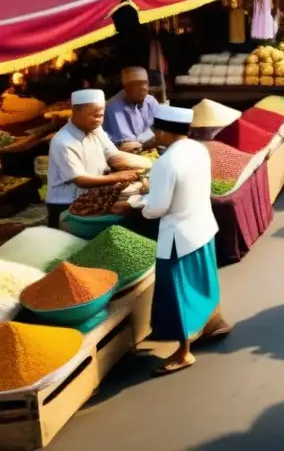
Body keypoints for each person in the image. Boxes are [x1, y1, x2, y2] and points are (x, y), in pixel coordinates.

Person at [116, 105, 230, 376]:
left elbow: (157, 208)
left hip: (179, 237)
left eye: (156, 130)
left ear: (165, 132)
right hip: (202, 227)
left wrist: (133, 204)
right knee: (202, 281)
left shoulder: (167, 162)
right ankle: (212, 323)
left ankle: (183, 352)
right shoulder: (197, 149)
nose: (155, 135)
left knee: (177, 295)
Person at [46, 89, 138, 228]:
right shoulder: (63, 141)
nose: (98, 120)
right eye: (94, 115)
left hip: (88, 198)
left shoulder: (96, 130)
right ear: (76, 112)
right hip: (64, 203)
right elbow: (80, 180)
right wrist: (117, 177)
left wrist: (148, 164)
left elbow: (113, 155)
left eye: (101, 116)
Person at [104, 67, 160, 152]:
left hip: (149, 148)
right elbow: (128, 146)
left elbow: (162, 127)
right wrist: (152, 141)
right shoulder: (113, 107)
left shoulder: (150, 101)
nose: (144, 88)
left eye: (145, 83)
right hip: (124, 153)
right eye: (138, 85)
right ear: (127, 87)